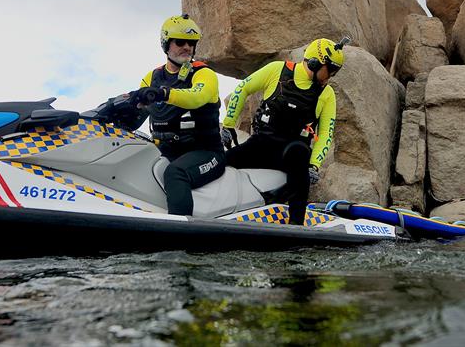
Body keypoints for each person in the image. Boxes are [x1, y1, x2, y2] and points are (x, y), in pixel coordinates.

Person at [221, 37, 348, 225]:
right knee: (220, 161)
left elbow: (326, 134)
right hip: (262, 146)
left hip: (292, 154)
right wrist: (228, 124)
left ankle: (296, 225)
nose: (330, 76)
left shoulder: (326, 94)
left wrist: (314, 165)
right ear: (314, 63)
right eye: (329, 70)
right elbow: (243, 88)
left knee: (299, 153)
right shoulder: (277, 70)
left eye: (335, 71)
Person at [127, 14, 225, 216]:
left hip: (207, 152)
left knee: (175, 173)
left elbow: (196, 97)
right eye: (180, 42)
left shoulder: (204, 74)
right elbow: (136, 112)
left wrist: (163, 93)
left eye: (191, 43)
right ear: (166, 43)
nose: (187, 47)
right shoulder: (151, 77)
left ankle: (181, 244)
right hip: (166, 149)